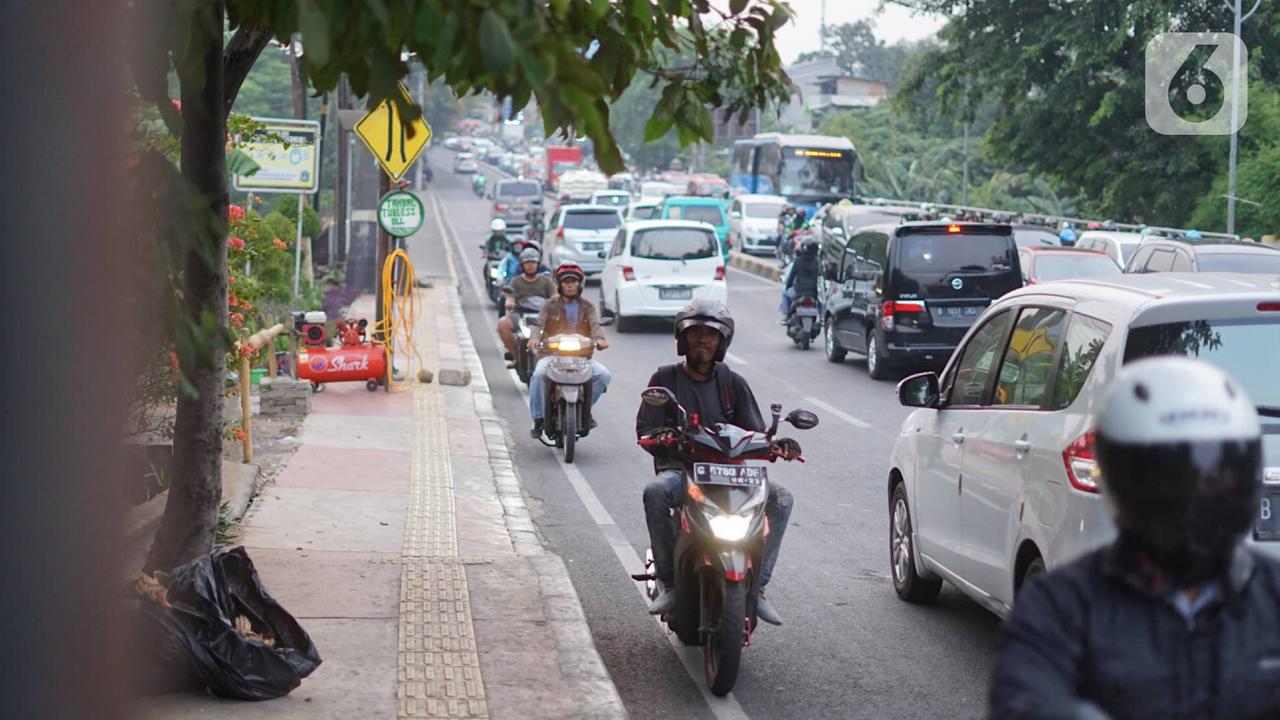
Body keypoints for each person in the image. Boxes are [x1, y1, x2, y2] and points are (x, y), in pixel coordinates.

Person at [989, 356, 1280, 720]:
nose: (1192, 500)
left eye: (1212, 481)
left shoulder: (1272, 598)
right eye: (1170, 483)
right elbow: (1026, 701)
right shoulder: (1060, 609)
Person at [637, 300, 799, 626]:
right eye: (695, 332)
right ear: (683, 339)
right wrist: (664, 437)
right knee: (654, 491)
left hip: (730, 474)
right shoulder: (665, 378)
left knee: (782, 498)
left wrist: (776, 444)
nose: (702, 340)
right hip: (682, 472)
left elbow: (754, 431)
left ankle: (760, 586)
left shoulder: (731, 382)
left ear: (721, 342)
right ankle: (669, 582)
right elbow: (646, 429)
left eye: (710, 335)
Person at [527, 262, 612, 438]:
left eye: (573, 282)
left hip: (581, 358)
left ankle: (584, 410)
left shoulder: (588, 306)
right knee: (539, 374)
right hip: (552, 355)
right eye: (566, 282)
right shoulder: (549, 304)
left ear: (580, 285)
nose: (570, 285)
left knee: (603, 375)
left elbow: (595, 325)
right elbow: (538, 323)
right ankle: (539, 418)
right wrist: (534, 338)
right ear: (559, 285)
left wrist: (600, 339)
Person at [496, 247, 555, 365]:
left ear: (538, 264)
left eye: (533, 262)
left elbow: (554, 297)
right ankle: (515, 356)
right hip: (520, 314)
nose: (530, 265)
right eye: (527, 262)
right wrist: (510, 302)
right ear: (522, 265)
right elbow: (510, 297)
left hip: (542, 315)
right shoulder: (516, 281)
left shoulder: (546, 281)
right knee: (502, 324)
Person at [778, 235, 821, 321]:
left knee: (785, 293)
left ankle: (785, 315)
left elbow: (791, 277)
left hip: (798, 292)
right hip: (813, 293)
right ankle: (822, 317)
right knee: (822, 301)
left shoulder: (798, 261)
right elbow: (821, 277)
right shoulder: (818, 263)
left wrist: (787, 286)